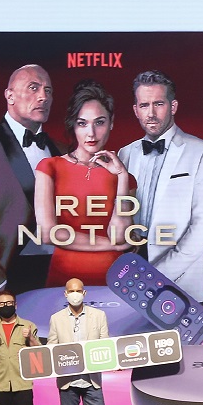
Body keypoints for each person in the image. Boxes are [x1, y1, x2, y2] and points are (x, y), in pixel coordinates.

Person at [118, 70, 203, 301]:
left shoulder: (202, 151)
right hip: (131, 275)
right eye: (144, 105)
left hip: (181, 283)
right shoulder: (124, 153)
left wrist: (157, 275)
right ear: (136, 110)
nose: (151, 114)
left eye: (158, 104)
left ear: (173, 106)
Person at [35, 80, 137, 287]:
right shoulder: (50, 167)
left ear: (111, 123)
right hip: (64, 280)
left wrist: (122, 176)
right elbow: (48, 233)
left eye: (99, 122)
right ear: (73, 125)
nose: (91, 133)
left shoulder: (125, 178)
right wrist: (111, 245)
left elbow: (119, 236)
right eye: (82, 123)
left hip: (113, 282)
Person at [0, 64, 67, 297]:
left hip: (61, 275)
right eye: (33, 88)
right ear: (9, 96)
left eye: (48, 91)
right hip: (8, 277)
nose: (43, 97)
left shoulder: (62, 150)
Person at [47, 278, 112, 405]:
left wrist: (112, 358)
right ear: (65, 294)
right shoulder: (56, 319)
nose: (74, 294)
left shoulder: (98, 316)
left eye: (78, 290)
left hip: (92, 381)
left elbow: (105, 344)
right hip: (68, 382)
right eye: (71, 291)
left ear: (84, 293)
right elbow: (51, 348)